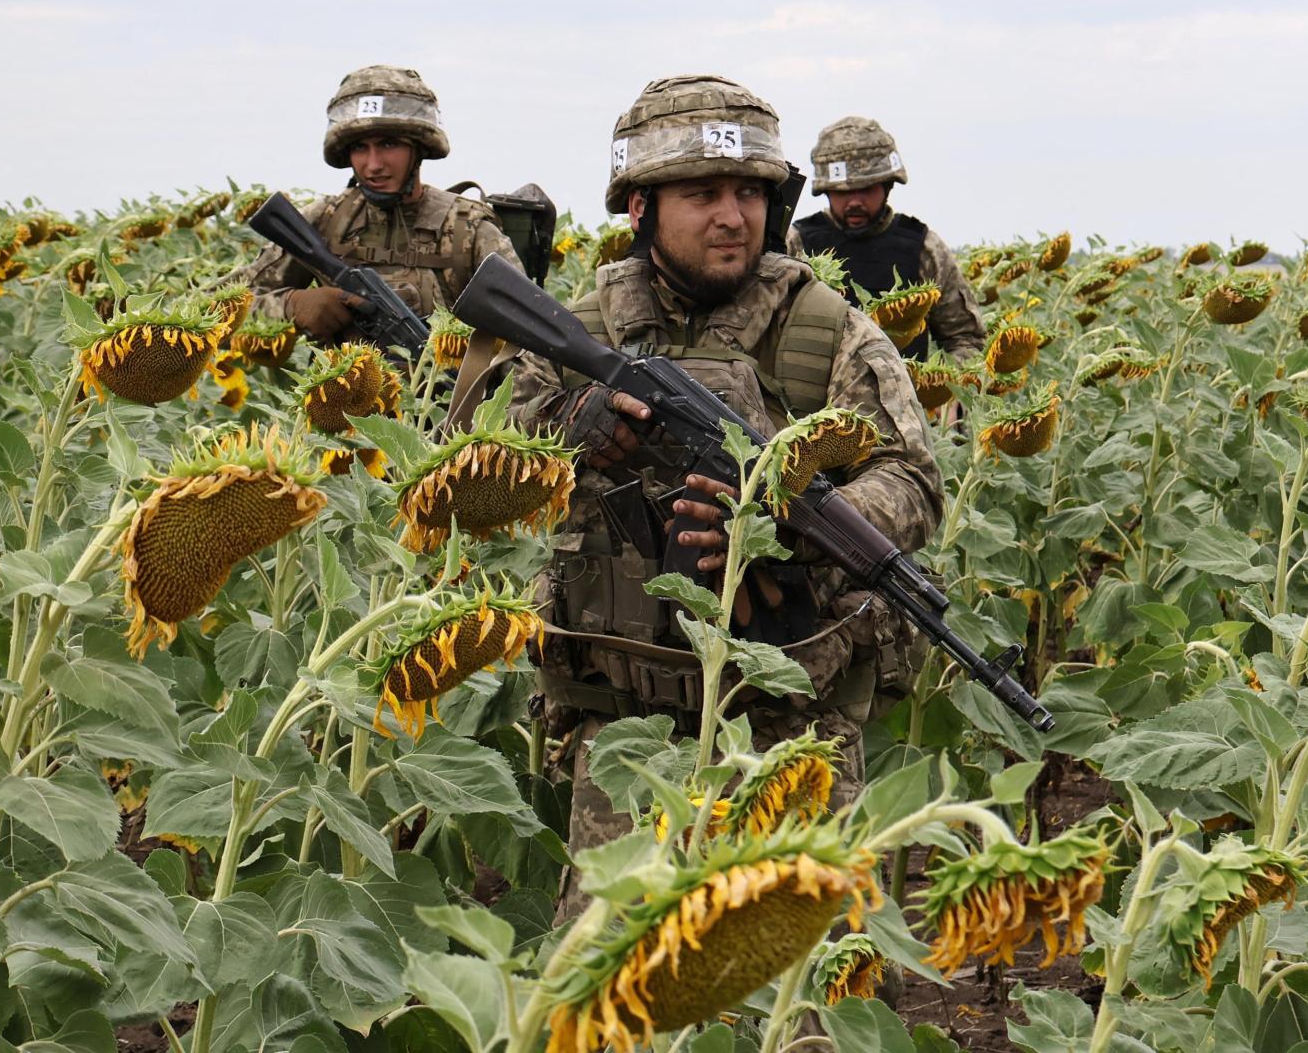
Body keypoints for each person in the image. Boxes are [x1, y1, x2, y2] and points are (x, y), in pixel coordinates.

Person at [507, 75, 944, 916]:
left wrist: (793, 522)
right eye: (702, 194)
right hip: (624, 731)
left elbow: (912, 482)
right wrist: (570, 421)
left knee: (807, 971)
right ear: (641, 207)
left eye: (749, 192)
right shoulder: (583, 330)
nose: (732, 217)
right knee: (608, 967)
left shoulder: (824, 330)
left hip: (786, 725)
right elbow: (484, 459)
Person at [249, 65, 523, 340]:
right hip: (343, 370)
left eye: (389, 144)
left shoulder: (469, 229)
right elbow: (228, 308)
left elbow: (530, 340)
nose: (374, 164)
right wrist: (291, 306)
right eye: (360, 147)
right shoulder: (324, 219)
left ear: (419, 148)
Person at [788, 117, 984, 361]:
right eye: (843, 192)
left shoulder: (924, 248)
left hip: (907, 386)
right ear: (826, 190)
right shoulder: (796, 245)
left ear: (887, 186)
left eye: (866, 189)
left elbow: (964, 338)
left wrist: (945, 383)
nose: (855, 202)